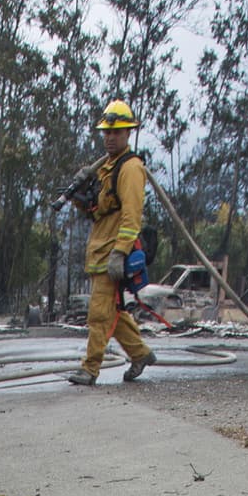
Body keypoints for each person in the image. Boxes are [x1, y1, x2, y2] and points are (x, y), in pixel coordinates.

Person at [66, 100, 155, 388]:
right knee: (113, 312)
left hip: (111, 253)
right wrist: (80, 196)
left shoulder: (130, 168)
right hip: (99, 250)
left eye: (116, 132)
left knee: (99, 314)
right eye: (106, 132)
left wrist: (120, 252)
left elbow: (132, 216)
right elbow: (98, 211)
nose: (109, 137)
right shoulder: (105, 168)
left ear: (128, 133)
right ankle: (140, 354)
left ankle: (90, 369)